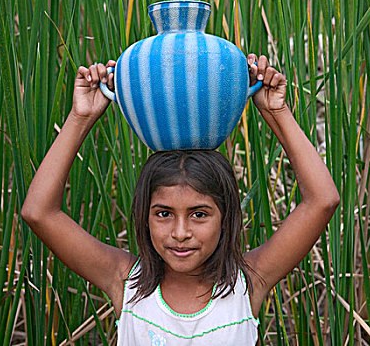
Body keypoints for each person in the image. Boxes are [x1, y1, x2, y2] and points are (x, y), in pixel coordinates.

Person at [21, 54, 340, 345]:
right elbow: (39, 212)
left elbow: (322, 201)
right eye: (163, 214)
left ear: (225, 217)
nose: (180, 232)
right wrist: (81, 116)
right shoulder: (125, 282)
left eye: (199, 214)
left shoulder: (248, 282)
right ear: (143, 216)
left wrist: (276, 111)